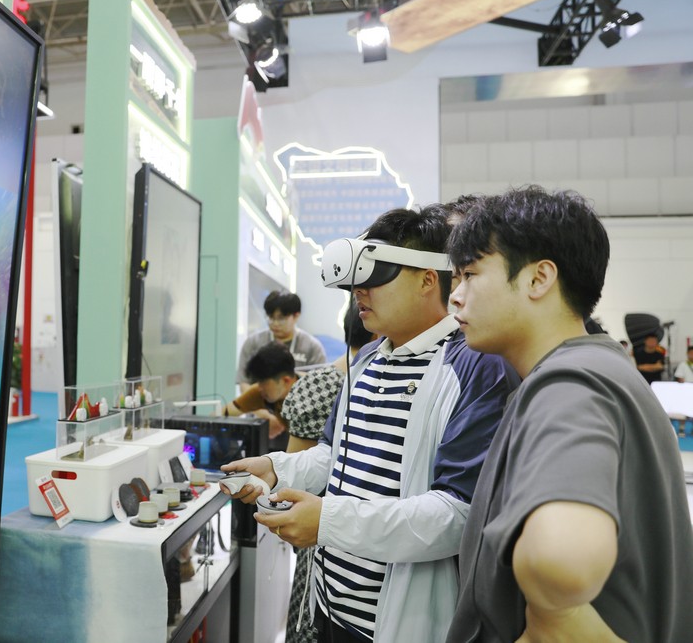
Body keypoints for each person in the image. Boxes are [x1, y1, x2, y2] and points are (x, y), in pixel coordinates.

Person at [221, 204, 517, 643]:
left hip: (398, 622)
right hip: (329, 607)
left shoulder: (474, 366)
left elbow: (457, 514)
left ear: (427, 280)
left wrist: (328, 521)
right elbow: (333, 454)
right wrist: (277, 469)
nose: (359, 290)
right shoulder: (366, 360)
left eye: (376, 275)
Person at [445, 186, 693, 642]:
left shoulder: (568, 385)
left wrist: (552, 619)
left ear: (539, 279)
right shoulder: (600, 367)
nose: (455, 297)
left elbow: (561, 562)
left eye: (470, 274)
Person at [282, 300, 373, 643]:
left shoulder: (316, 384)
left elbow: (294, 477)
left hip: (318, 535)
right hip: (351, 537)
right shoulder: (348, 382)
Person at [237, 291, 326, 393]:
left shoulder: (312, 347)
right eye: (271, 318)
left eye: (281, 319)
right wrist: (257, 402)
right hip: (260, 401)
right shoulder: (253, 343)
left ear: (296, 316)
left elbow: (320, 384)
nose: (275, 323)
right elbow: (244, 382)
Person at [223, 341, 299, 450]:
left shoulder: (310, 399)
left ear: (285, 381)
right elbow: (223, 413)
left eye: (263, 383)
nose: (259, 388)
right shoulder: (261, 392)